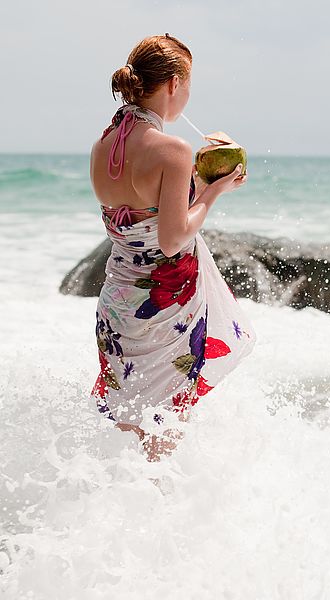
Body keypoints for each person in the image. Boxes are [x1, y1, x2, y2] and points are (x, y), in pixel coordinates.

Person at [89, 34, 257, 462]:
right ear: (173, 84)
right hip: (164, 311)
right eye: (189, 85)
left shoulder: (103, 146)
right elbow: (171, 238)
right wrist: (213, 192)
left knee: (127, 438)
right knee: (162, 439)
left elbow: (144, 216)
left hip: (118, 304)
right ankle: (159, 520)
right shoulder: (174, 149)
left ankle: (108, 519)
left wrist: (199, 186)